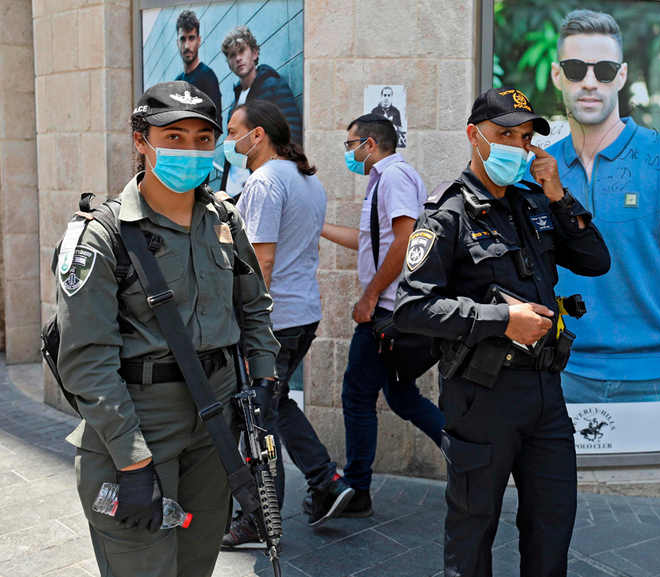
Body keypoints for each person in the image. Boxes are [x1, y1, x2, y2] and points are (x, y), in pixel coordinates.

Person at [53, 81, 279, 576]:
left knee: (196, 567)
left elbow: (255, 308)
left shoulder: (224, 217)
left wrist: (264, 382)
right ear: (141, 140)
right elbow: (86, 360)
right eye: (173, 137)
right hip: (138, 424)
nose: (191, 150)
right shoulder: (101, 235)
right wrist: (132, 460)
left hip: (216, 425)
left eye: (203, 139)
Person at [393, 87, 610, 577]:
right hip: (481, 397)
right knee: (472, 531)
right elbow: (411, 308)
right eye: (505, 134)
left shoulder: (535, 203)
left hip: (544, 394)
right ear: (474, 136)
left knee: (553, 525)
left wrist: (558, 194)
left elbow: (597, 261)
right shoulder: (446, 215)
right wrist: (501, 320)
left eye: (526, 136)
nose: (518, 144)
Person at [542, 9, 660, 404]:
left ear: (623, 76)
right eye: (576, 69)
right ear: (557, 75)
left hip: (658, 379)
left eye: (605, 70)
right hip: (560, 375)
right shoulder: (537, 172)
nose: (590, 83)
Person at [218, 100, 354, 546]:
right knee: (274, 404)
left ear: (257, 135)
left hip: (273, 322)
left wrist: (247, 322)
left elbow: (263, 259)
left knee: (257, 420)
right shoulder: (306, 179)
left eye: (233, 130)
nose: (228, 139)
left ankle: (260, 517)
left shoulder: (263, 181)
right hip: (303, 316)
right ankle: (325, 480)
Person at [317, 113, 444, 519]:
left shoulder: (393, 178)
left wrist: (369, 296)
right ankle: (469, 455)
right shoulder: (383, 181)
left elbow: (406, 240)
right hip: (394, 308)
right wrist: (318, 225)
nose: (348, 152)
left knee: (356, 394)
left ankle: (357, 488)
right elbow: (373, 241)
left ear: (369, 144)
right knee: (402, 395)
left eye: (349, 143)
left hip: (388, 311)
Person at [219, 25, 303, 197]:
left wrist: (268, 177)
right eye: (232, 55)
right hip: (232, 191)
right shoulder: (234, 104)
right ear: (229, 63)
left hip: (260, 185)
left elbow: (292, 136)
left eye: (242, 51)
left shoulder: (273, 86)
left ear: (255, 53)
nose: (238, 58)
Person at [174, 10, 222, 126]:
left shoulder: (207, 76)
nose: (187, 46)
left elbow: (216, 123)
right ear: (177, 43)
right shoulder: (176, 83)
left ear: (198, 40)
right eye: (183, 39)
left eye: (191, 38)